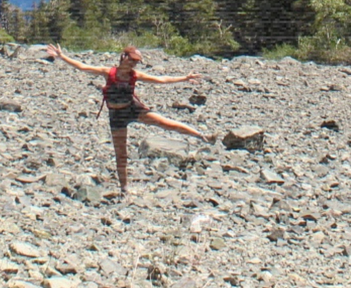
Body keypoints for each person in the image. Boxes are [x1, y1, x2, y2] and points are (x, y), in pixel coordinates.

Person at [44, 42, 219, 194]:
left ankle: (202, 136)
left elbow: (161, 80)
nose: (134, 64)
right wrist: (62, 56)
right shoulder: (108, 72)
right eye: (132, 60)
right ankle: (124, 189)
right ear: (124, 57)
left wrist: (184, 78)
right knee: (121, 154)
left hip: (132, 108)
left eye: (136, 62)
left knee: (165, 123)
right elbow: (83, 67)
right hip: (116, 115)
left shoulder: (135, 76)